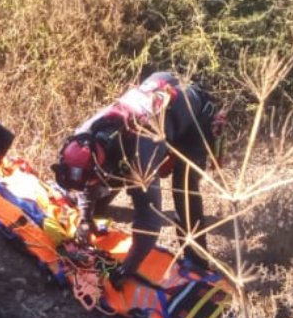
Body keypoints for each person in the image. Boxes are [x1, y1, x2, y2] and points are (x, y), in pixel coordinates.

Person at [53, 72, 222, 275]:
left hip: (196, 119)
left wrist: (128, 268)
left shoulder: (141, 157)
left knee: (184, 188)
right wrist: (85, 219)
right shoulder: (83, 135)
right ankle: (96, 214)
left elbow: (150, 222)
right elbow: (89, 181)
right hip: (160, 94)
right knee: (103, 189)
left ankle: (197, 259)